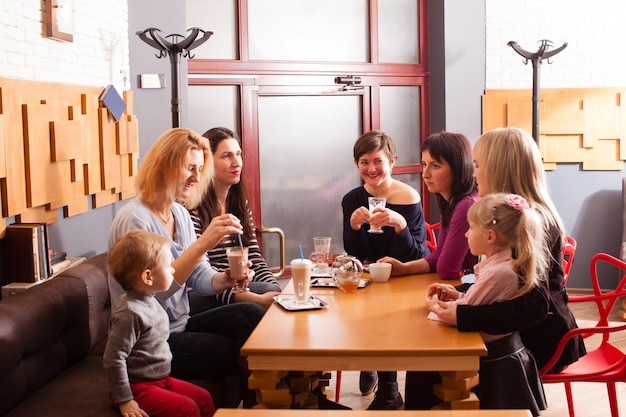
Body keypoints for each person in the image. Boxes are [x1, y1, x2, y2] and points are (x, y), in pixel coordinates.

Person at [405, 126, 586, 409]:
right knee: (426, 354)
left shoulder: (530, 223)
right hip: (517, 326)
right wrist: (462, 294)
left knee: (428, 358)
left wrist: (464, 315)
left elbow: (533, 305)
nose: (473, 174)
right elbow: (502, 281)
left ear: (500, 169)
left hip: (535, 338)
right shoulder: (509, 217)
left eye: (478, 165)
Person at [108, 127, 266, 408]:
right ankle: (258, 407)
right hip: (152, 339)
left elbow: (200, 276)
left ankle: (273, 404)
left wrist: (225, 279)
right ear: (164, 166)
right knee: (239, 351)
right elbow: (151, 293)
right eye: (189, 168)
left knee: (251, 313)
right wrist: (203, 243)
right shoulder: (135, 219)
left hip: (181, 322)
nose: (196, 177)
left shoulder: (178, 213)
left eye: (199, 169)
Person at [426, 193, 548, 416]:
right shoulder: (501, 262)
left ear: (490, 236)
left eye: (471, 228)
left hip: (494, 362)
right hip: (505, 353)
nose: (465, 233)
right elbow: (474, 304)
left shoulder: (497, 273)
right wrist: (456, 294)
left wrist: (433, 306)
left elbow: (460, 314)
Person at [341, 130, 429, 410]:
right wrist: (354, 227)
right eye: (364, 162)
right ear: (357, 164)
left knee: (385, 318)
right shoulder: (352, 199)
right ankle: (371, 365)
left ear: (392, 162)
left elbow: (416, 253)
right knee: (358, 310)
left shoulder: (409, 197)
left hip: (405, 274)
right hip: (369, 276)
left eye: (378, 161)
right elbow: (357, 255)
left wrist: (401, 225)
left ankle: (389, 390)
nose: (371, 169)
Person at [104, 229, 215, 417]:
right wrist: (125, 400)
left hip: (161, 379)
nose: (173, 268)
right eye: (167, 265)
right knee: (188, 409)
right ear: (148, 277)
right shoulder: (129, 313)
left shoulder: (150, 299)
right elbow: (113, 358)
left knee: (204, 398)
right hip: (138, 387)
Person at [188, 127, 281, 311]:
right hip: (204, 290)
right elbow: (201, 274)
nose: (236, 162)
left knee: (275, 294)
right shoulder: (191, 208)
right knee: (259, 306)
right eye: (226, 156)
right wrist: (251, 298)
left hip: (239, 285)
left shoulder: (240, 203)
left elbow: (253, 255)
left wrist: (278, 291)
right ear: (208, 162)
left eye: (238, 154)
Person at [379, 131, 479, 279]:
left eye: (436, 166)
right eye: (424, 164)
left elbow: (447, 269)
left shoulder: (467, 205)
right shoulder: (453, 203)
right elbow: (438, 256)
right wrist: (403, 268)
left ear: (458, 167)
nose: (425, 174)